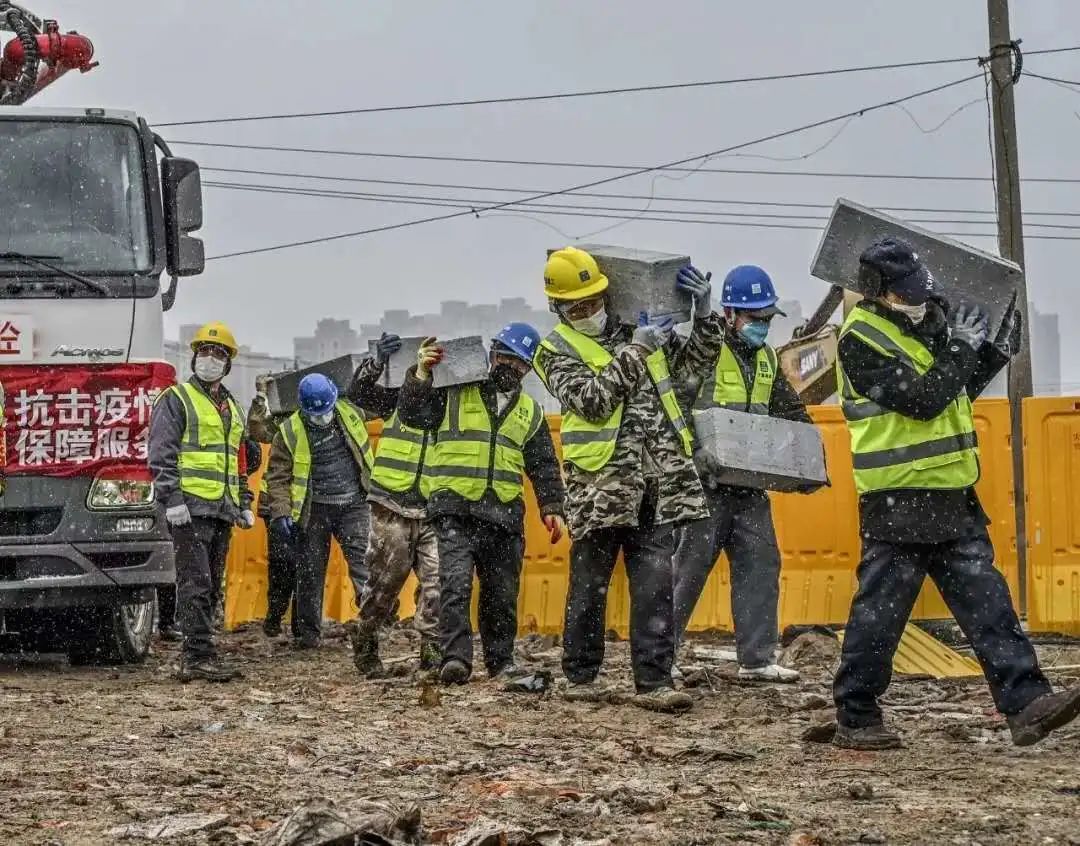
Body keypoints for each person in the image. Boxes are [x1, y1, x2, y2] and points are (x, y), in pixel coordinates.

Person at [832, 236, 1080, 750]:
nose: (917, 298)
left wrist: (991, 352)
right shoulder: (860, 339)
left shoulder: (922, 327)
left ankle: (1027, 703)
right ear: (878, 291)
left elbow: (955, 392)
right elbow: (922, 400)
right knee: (880, 615)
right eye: (905, 292)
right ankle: (856, 715)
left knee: (989, 605)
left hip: (950, 494)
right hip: (897, 496)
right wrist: (964, 346)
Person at [533, 246, 723, 713]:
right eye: (578, 307)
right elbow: (592, 400)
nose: (590, 313)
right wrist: (637, 349)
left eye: (595, 301)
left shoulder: (635, 330)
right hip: (599, 487)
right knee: (589, 584)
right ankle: (580, 676)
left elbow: (693, 365)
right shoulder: (553, 350)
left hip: (654, 481)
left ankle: (655, 681)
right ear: (558, 308)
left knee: (655, 584)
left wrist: (704, 315)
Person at [397, 323, 566, 685]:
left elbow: (543, 465)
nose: (508, 366)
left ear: (528, 368)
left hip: (503, 515)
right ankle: (455, 659)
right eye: (503, 355)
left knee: (501, 595)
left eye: (518, 362)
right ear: (491, 355)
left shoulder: (530, 412)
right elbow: (412, 414)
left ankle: (500, 661)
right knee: (454, 585)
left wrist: (552, 507)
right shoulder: (454, 392)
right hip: (455, 509)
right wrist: (421, 374)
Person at [672, 265, 815, 683]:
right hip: (704, 484)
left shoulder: (767, 360)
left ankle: (756, 658)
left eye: (767, 319)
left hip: (749, 486)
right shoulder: (707, 349)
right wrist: (693, 451)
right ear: (731, 314)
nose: (762, 327)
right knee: (687, 570)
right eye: (756, 319)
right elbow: (674, 403)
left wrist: (806, 462)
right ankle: (661, 657)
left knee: (761, 564)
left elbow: (791, 413)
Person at [149, 321, 255, 682]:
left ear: (228, 364)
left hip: (220, 509)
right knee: (196, 583)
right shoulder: (177, 399)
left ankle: (202, 651)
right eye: (205, 352)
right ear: (194, 357)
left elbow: (237, 458)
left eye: (219, 353)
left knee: (212, 584)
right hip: (190, 509)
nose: (210, 358)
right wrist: (172, 498)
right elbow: (161, 453)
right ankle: (196, 657)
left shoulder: (231, 407)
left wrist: (243, 501)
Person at [347, 333, 443, 677]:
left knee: (436, 584)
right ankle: (367, 635)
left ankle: (432, 653)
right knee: (384, 583)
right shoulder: (398, 399)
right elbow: (358, 393)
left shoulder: (455, 406)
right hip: (392, 503)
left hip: (433, 509)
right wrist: (377, 362)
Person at [264, 373, 373, 649]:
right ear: (303, 408)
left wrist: (374, 367)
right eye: (317, 413)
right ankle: (308, 635)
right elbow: (277, 477)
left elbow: (381, 401)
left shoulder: (350, 412)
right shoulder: (288, 431)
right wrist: (280, 513)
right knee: (310, 572)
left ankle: (372, 623)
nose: (322, 417)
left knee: (364, 564)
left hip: (354, 504)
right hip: (314, 511)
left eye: (326, 411)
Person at [247, 376, 299, 639]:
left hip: (307, 506)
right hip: (277, 508)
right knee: (282, 565)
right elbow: (256, 429)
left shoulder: (321, 418)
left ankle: (302, 625)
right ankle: (275, 615)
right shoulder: (284, 422)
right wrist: (261, 396)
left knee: (306, 566)